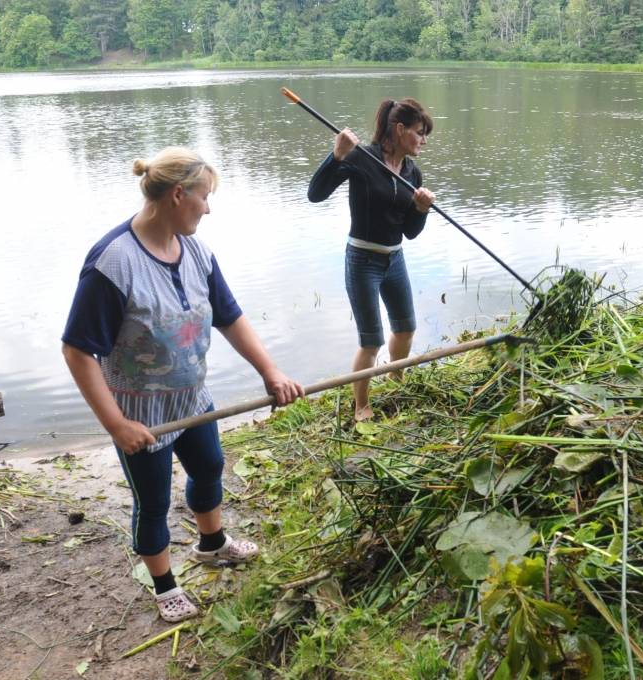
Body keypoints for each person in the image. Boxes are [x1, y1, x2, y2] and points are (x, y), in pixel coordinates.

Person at [61, 147, 303, 623]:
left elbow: (230, 318)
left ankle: (212, 544)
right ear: (177, 195)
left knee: (210, 466)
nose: (208, 209)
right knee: (152, 503)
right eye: (204, 198)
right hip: (140, 413)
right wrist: (116, 423)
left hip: (192, 399)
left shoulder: (196, 251)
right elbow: (77, 351)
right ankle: (164, 584)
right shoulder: (113, 264)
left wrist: (270, 372)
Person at [307, 98, 435, 422]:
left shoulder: (411, 172)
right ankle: (361, 405)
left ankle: (395, 379)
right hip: (362, 259)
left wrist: (420, 211)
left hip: (395, 259)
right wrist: (335, 156)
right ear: (400, 129)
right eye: (420, 133)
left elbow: (410, 232)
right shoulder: (362, 158)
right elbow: (315, 194)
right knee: (371, 340)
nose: (423, 140)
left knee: (405, 329)